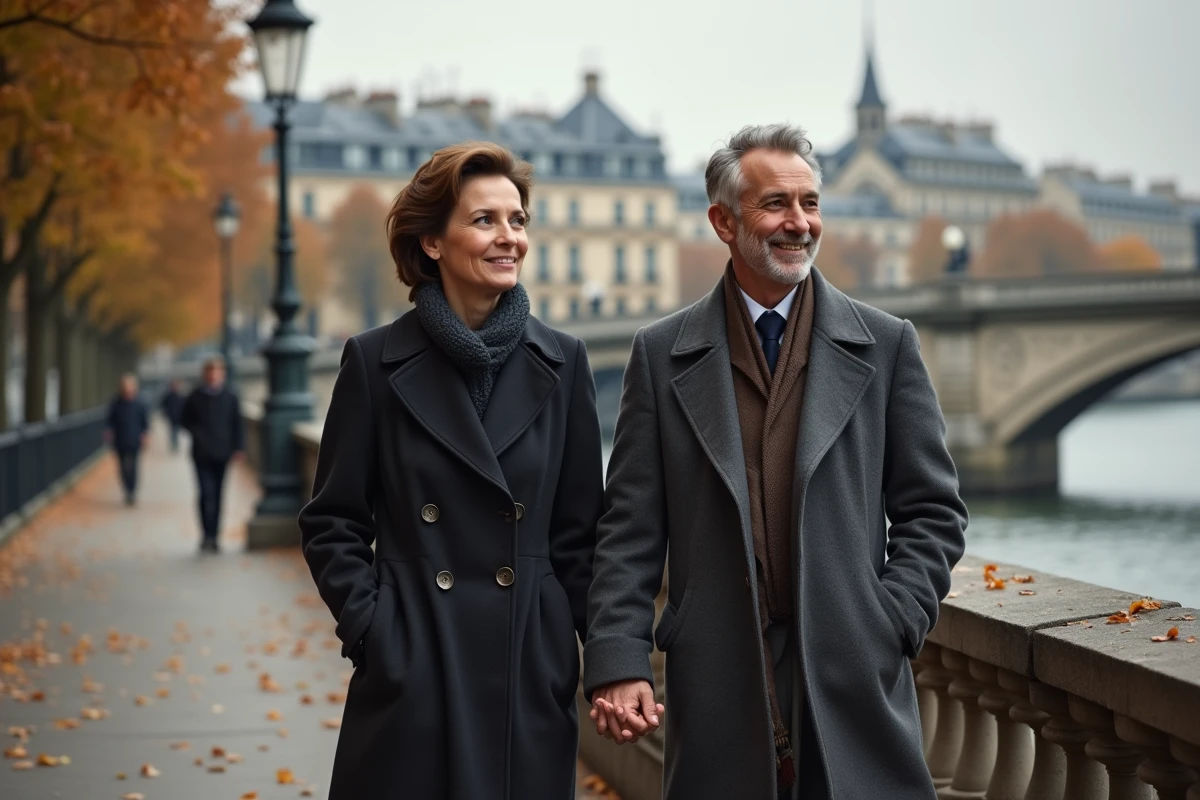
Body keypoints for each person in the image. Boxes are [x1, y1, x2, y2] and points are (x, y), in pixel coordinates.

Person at [583, 124, 969, 800]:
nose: (800, 223)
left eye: (811, 203)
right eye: (776, 205)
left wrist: (890, 620)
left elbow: (933, 512)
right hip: (717, 676)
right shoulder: (659, 353)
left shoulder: (886, 346)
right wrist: (619, 659)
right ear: (722, 222)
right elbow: (629, 532)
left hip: (853, 674)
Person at [298, 142, 604, 800]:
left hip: (525, 670)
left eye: (518, 220)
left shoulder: (564, 362)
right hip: (415, 672)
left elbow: (582, 538)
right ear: (433, 242)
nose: (509, 238)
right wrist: (376, 633)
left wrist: (602, 659)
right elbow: (333, 521)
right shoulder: (374, 363)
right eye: (485, 220)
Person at [180, 357, 244, 553]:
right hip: (201, 454)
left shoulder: (230, 396)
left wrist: (239, 448)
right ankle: (206, 534)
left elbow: (237, 424)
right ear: (205, 374)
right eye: (211, 372)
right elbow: (184, 420)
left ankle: (215, 536)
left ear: (222, 374)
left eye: (217, 372)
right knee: (205, 493)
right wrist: (198, 434)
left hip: (222, 453)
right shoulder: (195, 396)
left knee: (217, 494)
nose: (214, 376)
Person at [104, 374, 149, 506]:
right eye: (125, 386)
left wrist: (145, 436)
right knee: (123, 467)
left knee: (134, 467)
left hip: (134, 439)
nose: (128, 389)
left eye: (130, 386)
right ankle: (126, 489)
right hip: (120, 439)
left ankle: (132, 491)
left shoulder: (140, 403)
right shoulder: (116, 403)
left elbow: (145, 422)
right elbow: (110, 421)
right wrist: (108, 432)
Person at [160, 379, 185, 453]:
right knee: (173, 432)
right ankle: (173, 445)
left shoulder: (180, 396)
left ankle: (176, 445)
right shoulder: (168, 396)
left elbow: (184, 406)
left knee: (176, 432)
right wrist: (166, 413)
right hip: (171, 417)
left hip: (178, 417)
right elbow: (163, 405)